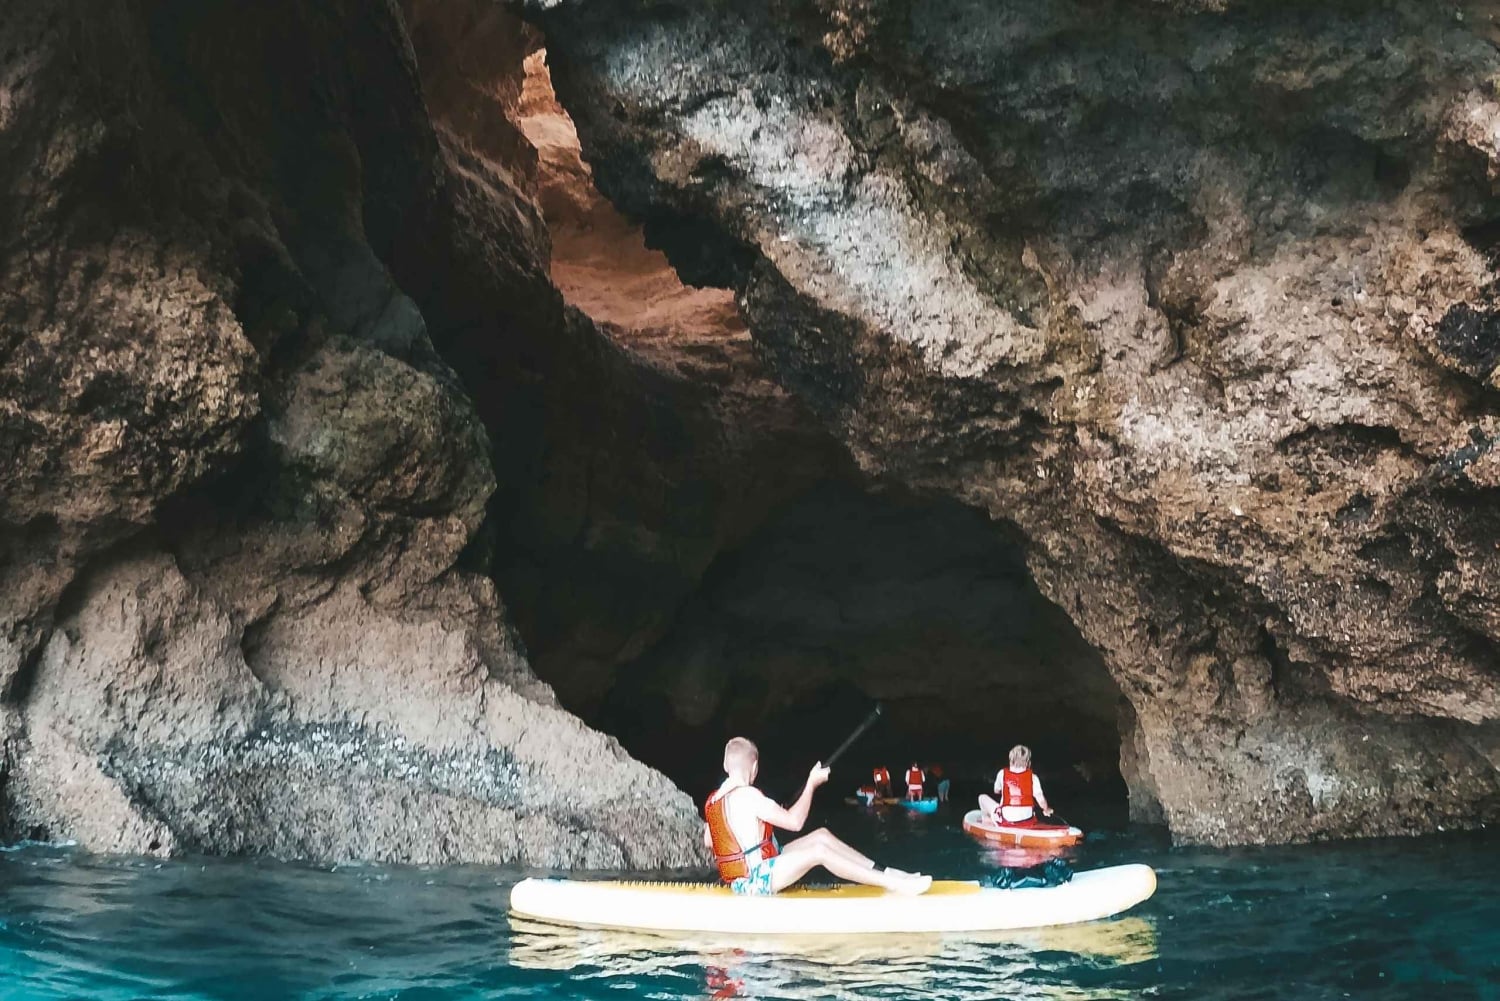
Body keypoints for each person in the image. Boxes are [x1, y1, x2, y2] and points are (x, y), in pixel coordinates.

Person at [703, 737, 932, 896]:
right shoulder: (750, 796)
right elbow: (795, 822)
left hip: (751, 870)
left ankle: (888, 871)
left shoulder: (714, 800)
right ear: (754, 767)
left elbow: (709, 840)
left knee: (821, 835)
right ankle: (894, 884)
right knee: (818, 853)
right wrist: (811, 784)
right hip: (755, 880)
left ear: (726, 764)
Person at [979, 744, 1052, 826]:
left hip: (1007, 820)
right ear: (1028, 762)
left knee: (982, 797)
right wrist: (1046, 809)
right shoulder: (1033, 777)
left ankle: (986, 821)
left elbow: (996, 791)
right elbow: (1041, 800)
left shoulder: (1002, 773)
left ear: (1011, 759)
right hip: (1028, 819)